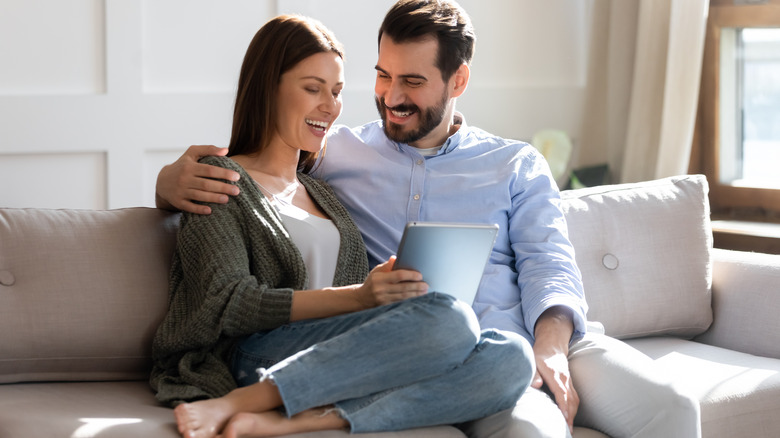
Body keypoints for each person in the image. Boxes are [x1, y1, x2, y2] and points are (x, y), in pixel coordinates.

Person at [156, 1, 702, 437]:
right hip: (423, 344)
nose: (391, 97)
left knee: (674, 406)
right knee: (530, 425)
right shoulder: (336, 153)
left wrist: (551, 347)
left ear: (457, 81)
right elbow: (255, 174)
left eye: (413, 82)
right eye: (383, 75)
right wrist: (167, 186)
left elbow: (550, 265)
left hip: (534, 340)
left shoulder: (514, 163)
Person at [150, 14, 534, 438]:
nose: (330, 106)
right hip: (257, 352)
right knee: (452, 318)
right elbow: (227, 303)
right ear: (268, 88)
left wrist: (385, 299)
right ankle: (245, 400)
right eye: (313, 88)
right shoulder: (218, 178)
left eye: (336, 92)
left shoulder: (323, 189)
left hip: (341, 353)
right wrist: (359, 297)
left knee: (513, 357)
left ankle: (305, 418)